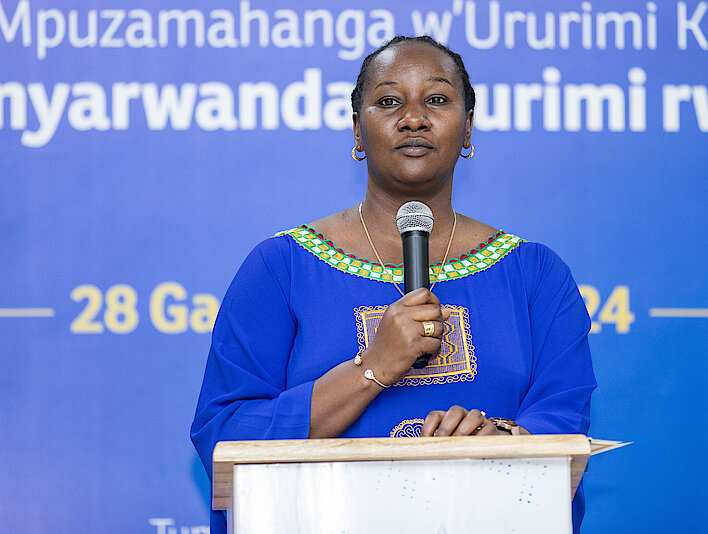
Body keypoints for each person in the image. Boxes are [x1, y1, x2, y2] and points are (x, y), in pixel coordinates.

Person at [191, 35, 596, 532]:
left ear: (468, 128)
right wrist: (373, 368)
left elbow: (563, 424)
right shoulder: (280, 267)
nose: (413, 118)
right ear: (357, 132)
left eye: (437, 99)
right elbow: (226, 434)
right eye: (388, 102)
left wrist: (500, 442)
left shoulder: (535, 274)